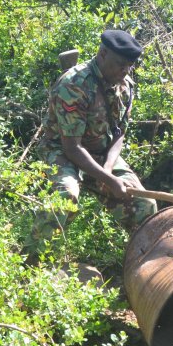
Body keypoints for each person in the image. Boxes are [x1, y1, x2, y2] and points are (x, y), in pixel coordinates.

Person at [26, 30, 157, 261]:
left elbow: (118, 134)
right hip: (62, 150)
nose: (125, 71)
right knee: (66, 195)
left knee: (145, 204)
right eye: (120, 65)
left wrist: (107, 171)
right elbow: (71, 148)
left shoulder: (125, 86)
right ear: (103, 54)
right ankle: (32, 262)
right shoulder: (74, 85)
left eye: (130, 66)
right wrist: (108, 180)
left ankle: (139, 265)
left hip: (101, 151)